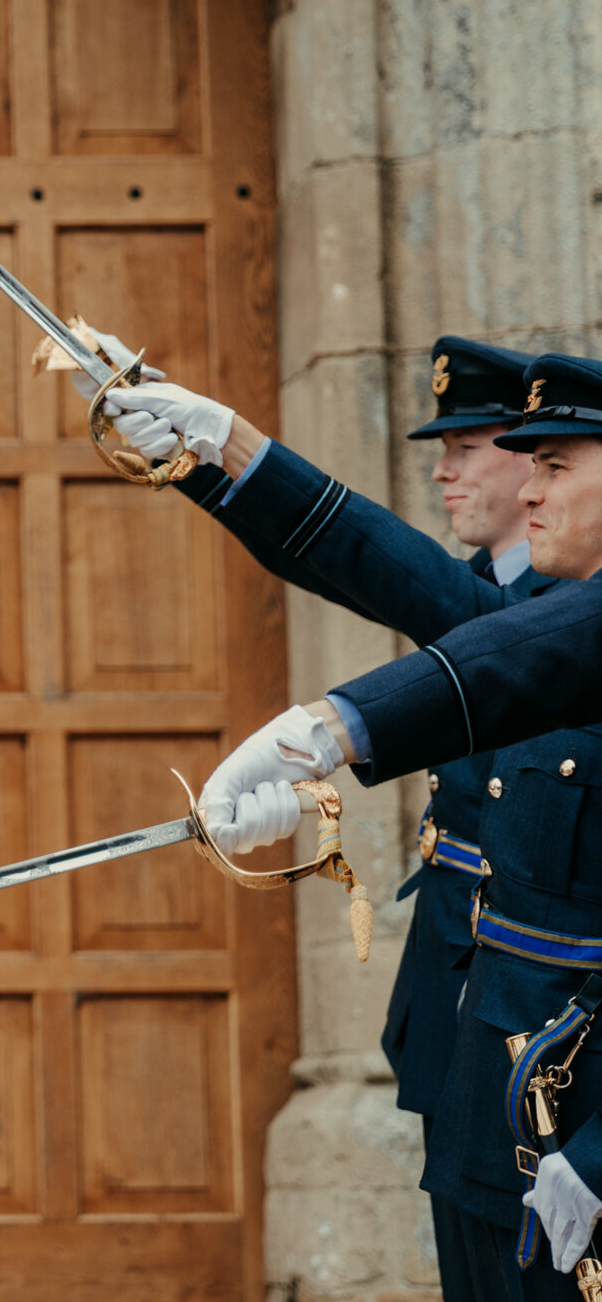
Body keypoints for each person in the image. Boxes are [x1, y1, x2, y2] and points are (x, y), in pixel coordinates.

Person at [84, 332, 550, 1294]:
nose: (446, 467)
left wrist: (234, 445)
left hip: (537, 1052)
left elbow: (424, 596)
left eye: (476, 446)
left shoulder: (556, 614)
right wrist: (197, 460)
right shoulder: (513, 598)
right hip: (459, 1027)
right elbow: (359, 576)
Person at [192, 354, 602, 1295]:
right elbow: (435, 614)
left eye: (555, 466)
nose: (528, 488)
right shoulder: (540, 619)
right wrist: (223, 453)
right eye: (525, 464)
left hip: (577, 1119)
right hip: (491, 1101)